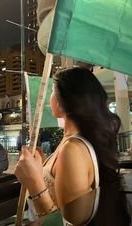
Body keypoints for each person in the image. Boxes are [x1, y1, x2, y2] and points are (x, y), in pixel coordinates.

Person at [15, 66, 120, 224]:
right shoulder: (69, 141)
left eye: (52, 89)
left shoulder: (73, 150)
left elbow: (69, 223)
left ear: (63, 100)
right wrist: (38, 168)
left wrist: (34, 184)